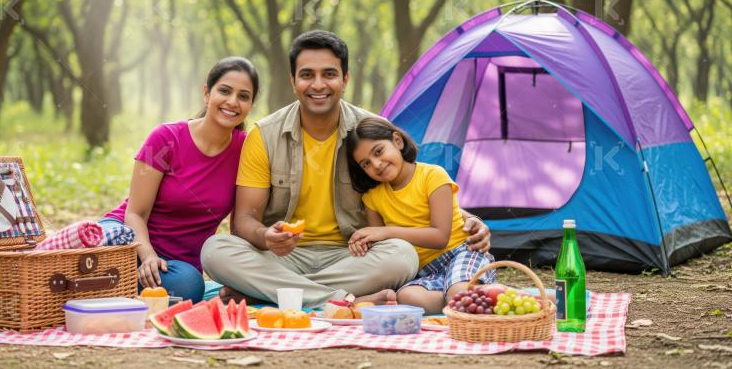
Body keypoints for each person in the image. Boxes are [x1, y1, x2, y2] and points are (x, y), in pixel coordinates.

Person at [201, 30, 491, 309]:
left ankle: (270, 291)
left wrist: (469, 218)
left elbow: (414, 187)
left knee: (402, 255)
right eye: (306, 75)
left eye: (328, 74)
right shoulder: (264, 135)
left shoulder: (368, 131)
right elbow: (244, 220)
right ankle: (339, 299)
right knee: (215, 251)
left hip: (352, 256)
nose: (317, 85)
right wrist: (266, 237)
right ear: (293, 81)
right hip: (282, 256)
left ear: (345, 79)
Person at [100, 57, 259, 303]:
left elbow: (239, 225)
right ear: (207, 93)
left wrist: (238, 279)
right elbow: (135, 213)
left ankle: (111, 289)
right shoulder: (165, 138)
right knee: (102, 250)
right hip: (129, 238)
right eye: (224, 91)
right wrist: (148, 256)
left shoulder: (247, 150)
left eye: (243, 96)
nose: (232, 102)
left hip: (176, 266)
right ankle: (110, 283)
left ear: (250, 105)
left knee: (188, 285)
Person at [346, 117, 496, 314]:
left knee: (458, 291)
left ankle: (470, 293)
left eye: (379, 151)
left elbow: (440, 237)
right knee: (408, 297)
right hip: (425, 270)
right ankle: (465, 297)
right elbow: (381, 243)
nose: (376, 164)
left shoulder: (433, 176)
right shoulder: (372, 197)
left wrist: (385, 232)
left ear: (397, 141)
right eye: (366, 164)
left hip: (461, 252)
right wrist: (363, 242)